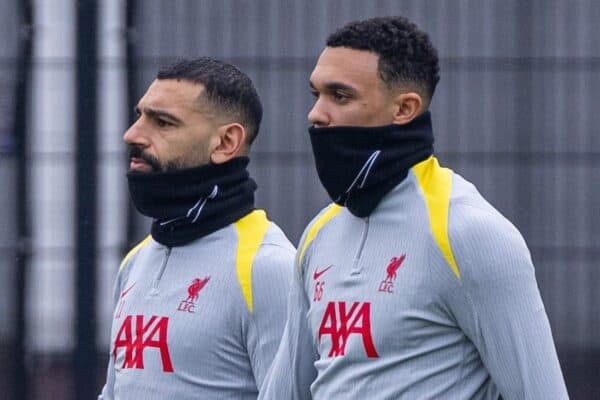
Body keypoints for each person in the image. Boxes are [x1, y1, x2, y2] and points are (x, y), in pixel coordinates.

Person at [260, 16, 568, 399]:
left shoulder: (469, 233)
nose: (316, 113)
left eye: (339, 96)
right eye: (315, 94)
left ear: (404, 108)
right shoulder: (319, 234)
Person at [99, 57, 295, 399]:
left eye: (163, 122)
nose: (132, 135)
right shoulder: (137, 260)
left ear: (225, 143)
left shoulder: (266, 267)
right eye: (139, 115)